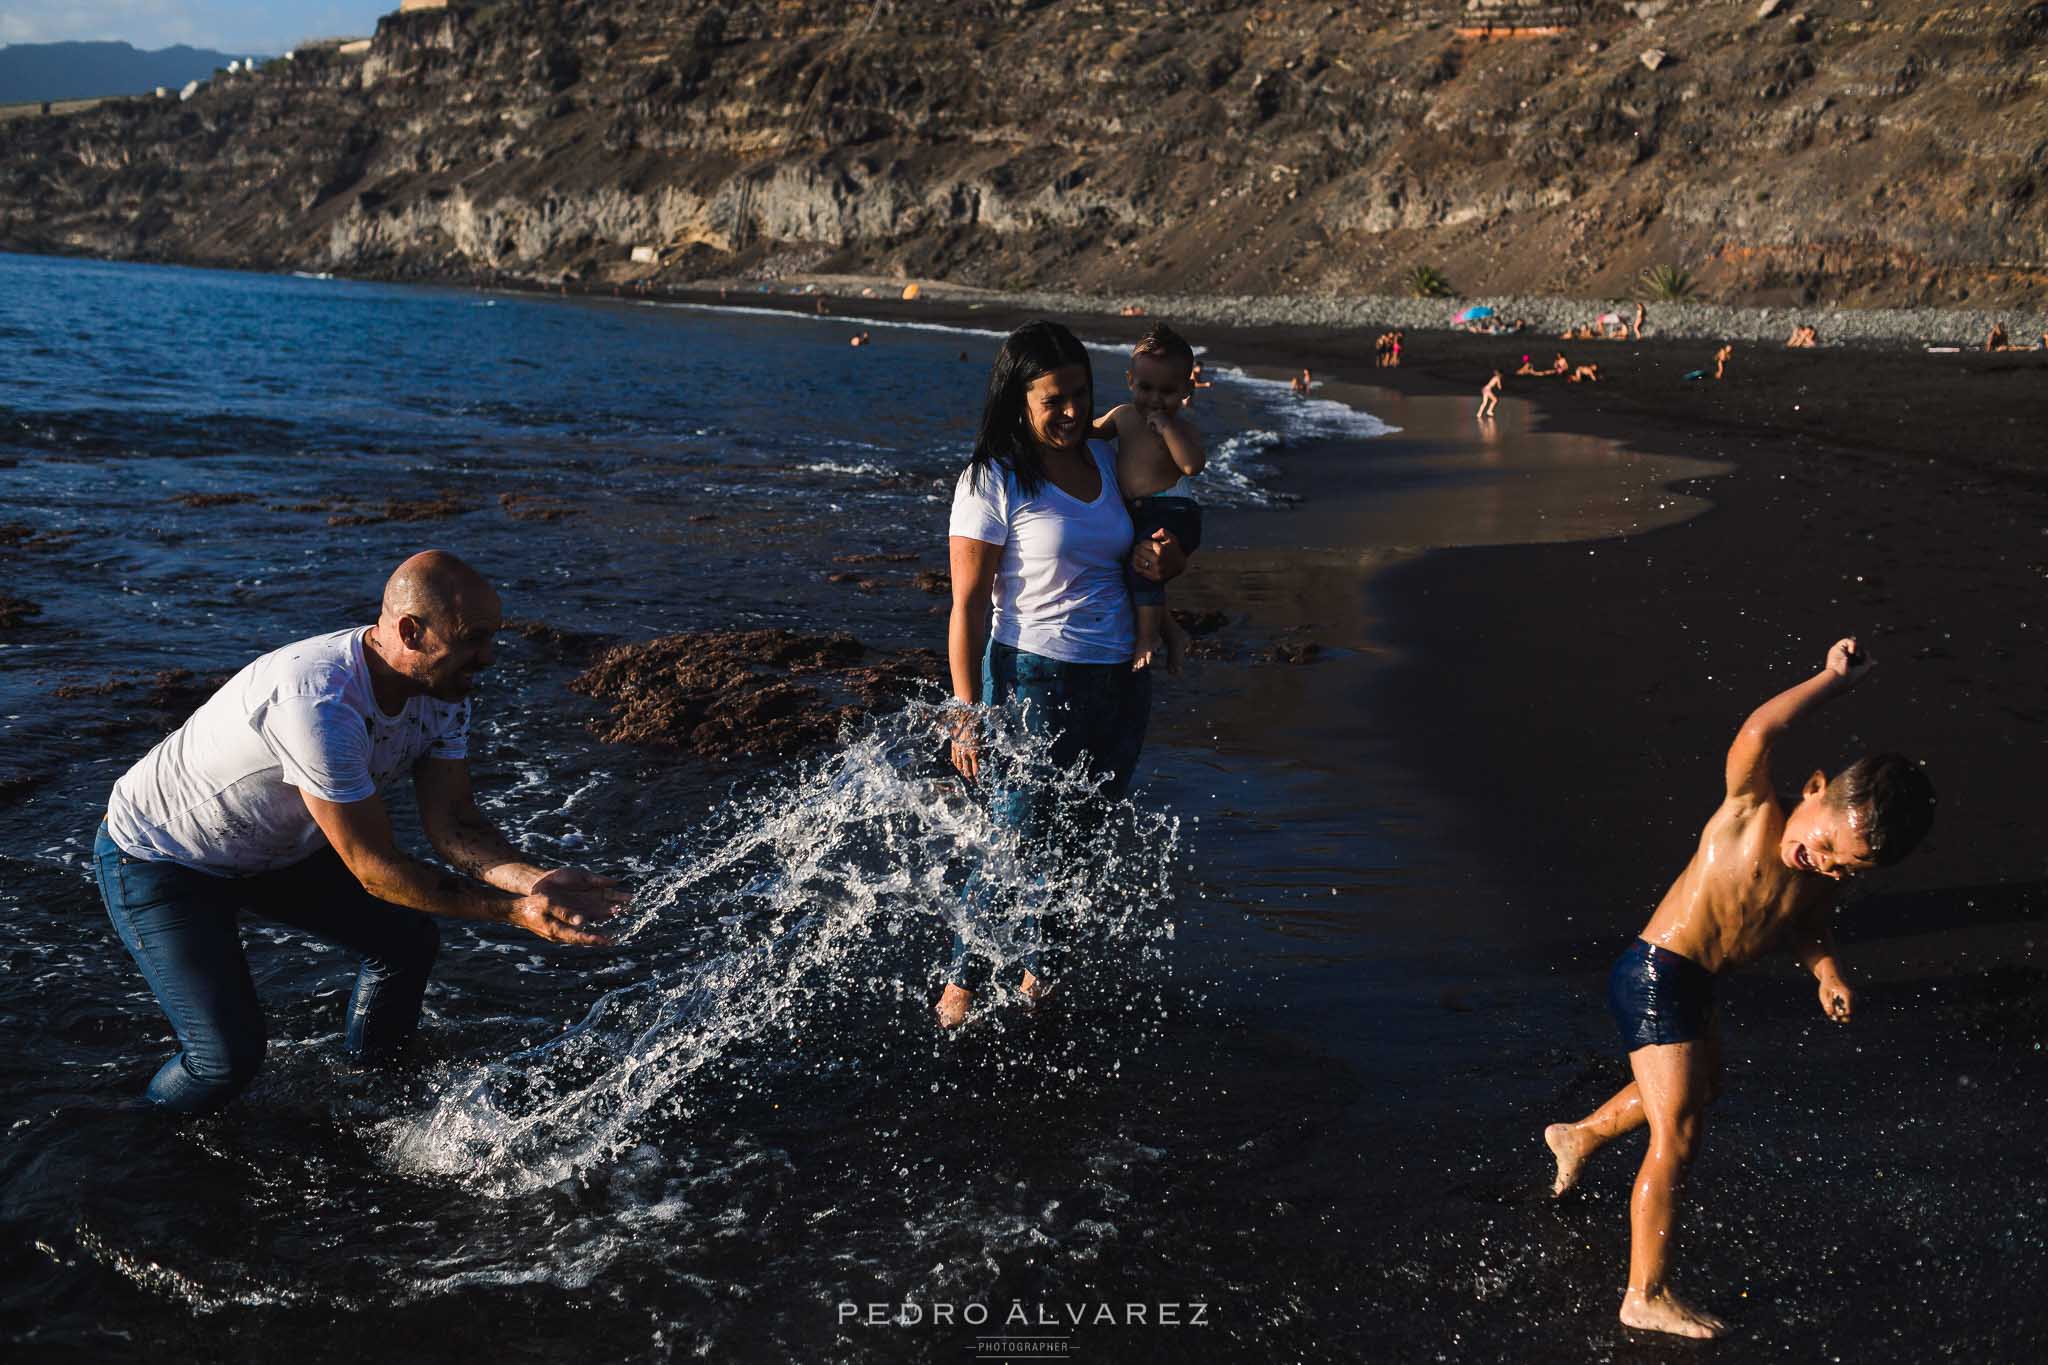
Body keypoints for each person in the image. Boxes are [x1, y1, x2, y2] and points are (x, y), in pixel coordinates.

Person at [94, 551, 627, 1114]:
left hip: (276, 848)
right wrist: (514, 913)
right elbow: (375, 871)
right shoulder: (320, 702)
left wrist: (536, 881)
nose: (487, 658)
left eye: (492, 638)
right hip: (164, 856)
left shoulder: (443, 693)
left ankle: (371, 1088)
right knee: (226, 1061)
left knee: (405, 942)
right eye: (473, 639)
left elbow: (455, 826)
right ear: (410, 632)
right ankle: (143, 1137)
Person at [1541, 638, 1934, 1339]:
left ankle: (1579, 1134)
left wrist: (1828, 972)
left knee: (1702, 1089)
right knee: (1679, 1130)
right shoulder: (1750, 810)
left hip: (1693, 984)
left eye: (1844, 869)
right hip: (1657, 971)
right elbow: (1759, 730)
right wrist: (1830, 681)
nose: (1821, 864)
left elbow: (1807, 930)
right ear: (1813, 788)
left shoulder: (1818, 881)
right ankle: (1644, 1292)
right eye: (1822, 846)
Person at [938, 321, 1185, 1029]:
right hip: (1032, 684)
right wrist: (966, 709)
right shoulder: (991, 479)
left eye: (1082, 394)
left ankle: (1037, 987)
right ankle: (958, 992)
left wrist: (1168, 569)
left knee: (1080, 850)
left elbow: (1143, 552)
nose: (1074, 411)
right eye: (1056, 399)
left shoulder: (1109, 461)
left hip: (1118, 682)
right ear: (1019, 400)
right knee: (1013, 845)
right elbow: (964, 607)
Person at [1091, 322, 1207, 673]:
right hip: (1141, 511)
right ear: (1130, 381)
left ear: (1187, 389)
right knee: (1132, 573)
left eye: (1168, 391)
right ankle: (1172, 633)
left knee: (1143, 568)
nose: (1155, 400)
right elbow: (1087, 432)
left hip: (1172, 510)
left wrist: (1169, 428)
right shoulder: (1124, 415)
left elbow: (1191, 466)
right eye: (1145, 388)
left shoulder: (1182, 428)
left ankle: (1146, 639)